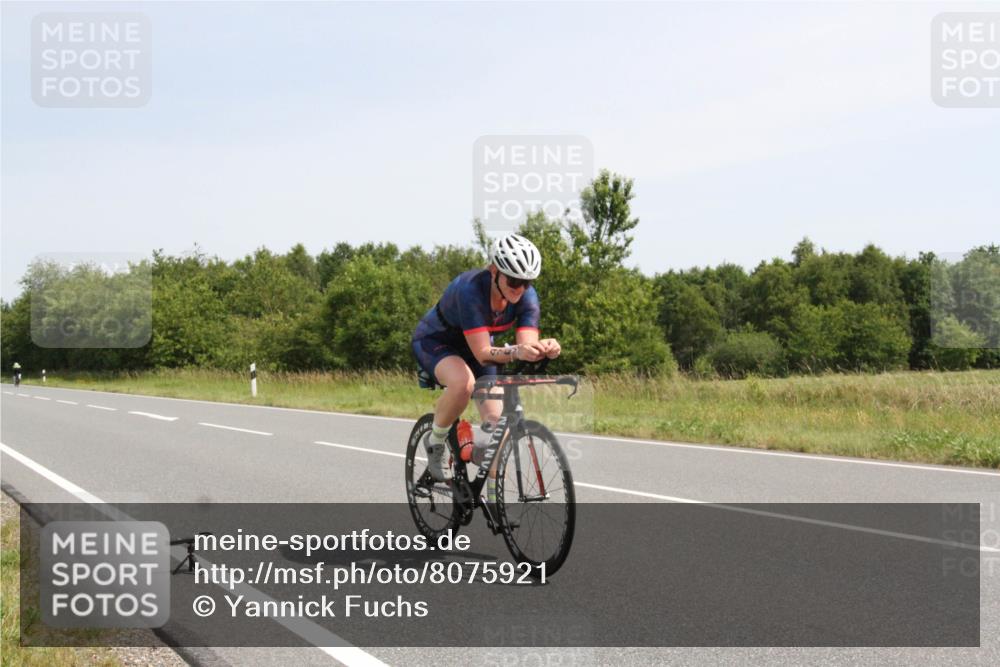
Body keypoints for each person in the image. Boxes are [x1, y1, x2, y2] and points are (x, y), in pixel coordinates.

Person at [411, 233, 561, 482]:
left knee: (496, 429)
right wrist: (516, 351)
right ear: (494, 271)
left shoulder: (527, 296)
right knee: (463, 384)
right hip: (436, 342)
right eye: (514, 280)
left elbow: (526, 347)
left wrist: (543, 348)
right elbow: (482, 354)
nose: (520, 288)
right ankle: (435, 444)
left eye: (527, 282)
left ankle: (494, 507)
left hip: (480, 347)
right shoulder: (470, 289)